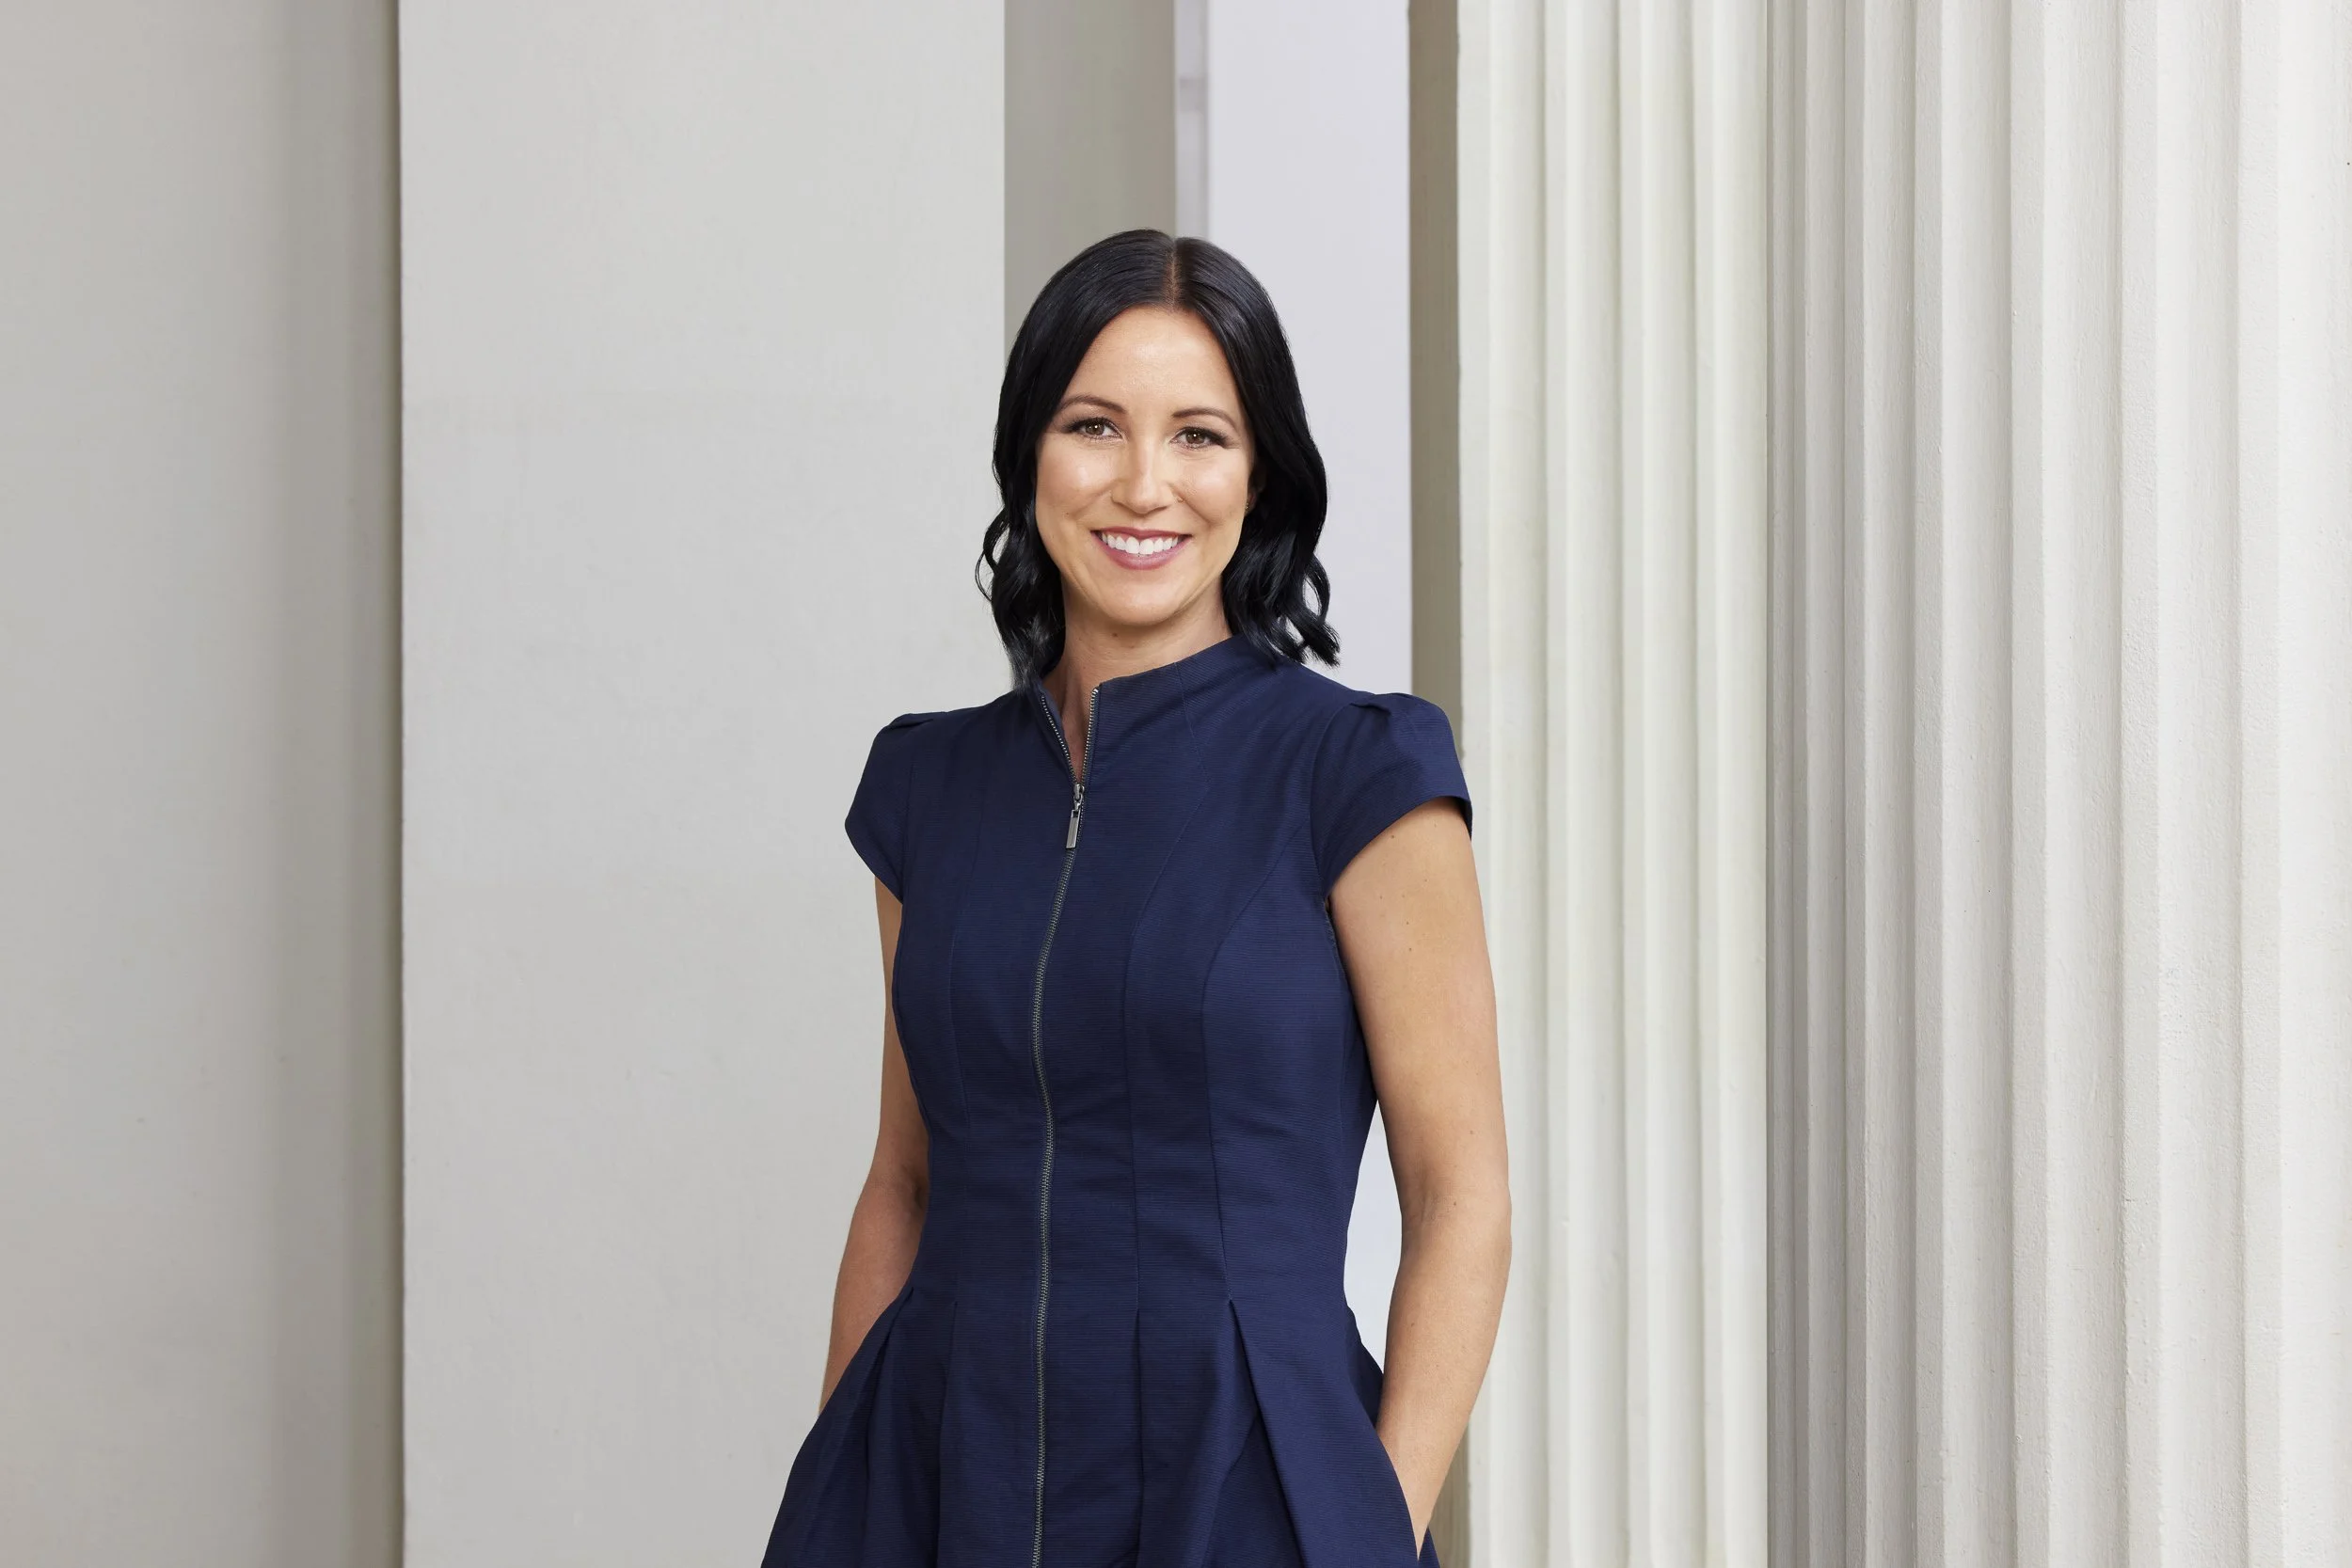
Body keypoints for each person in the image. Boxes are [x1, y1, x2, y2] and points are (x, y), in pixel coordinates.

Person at [762, 230, 1509, 1567]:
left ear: (1258, 470)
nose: (1145, 483)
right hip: (939, 1477)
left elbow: (1461, 1194)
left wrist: (1363, 1529)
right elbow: (905, 1183)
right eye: (1094, 425)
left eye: (1201, 435)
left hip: (1250, 1487)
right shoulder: (926, 789)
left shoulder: (1360, 772)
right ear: (1029, 459)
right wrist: (837, 1491)